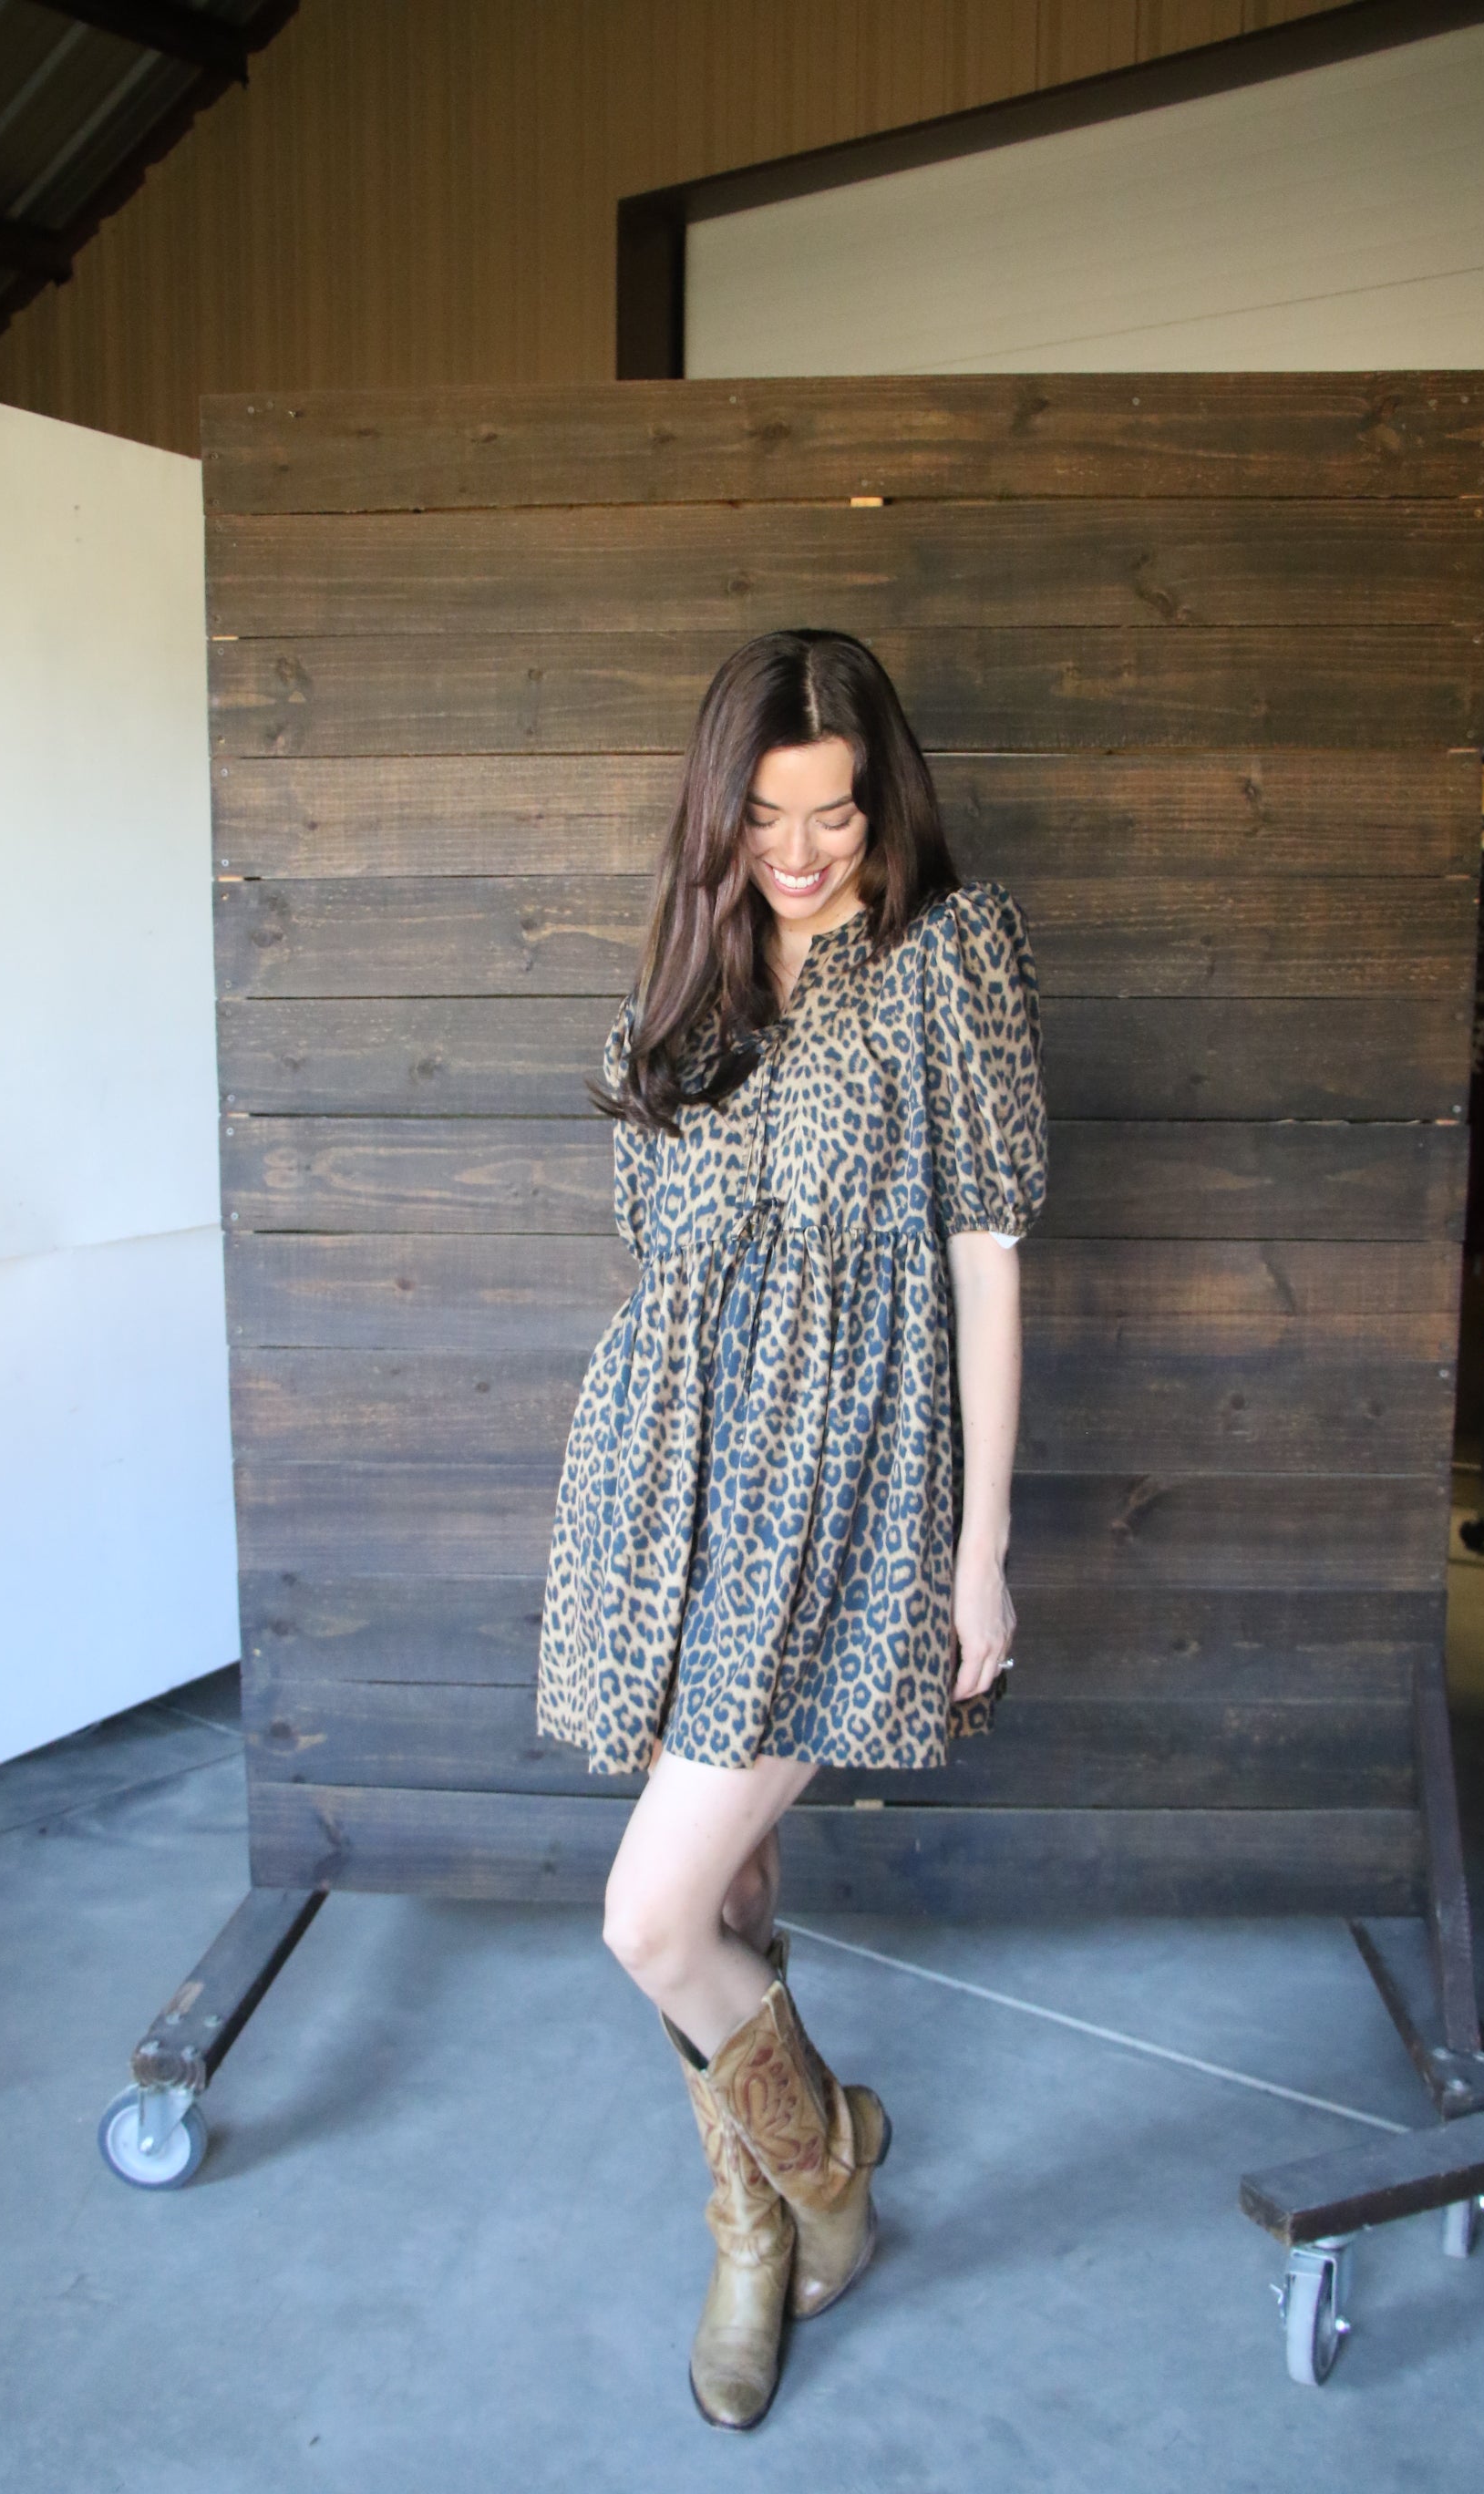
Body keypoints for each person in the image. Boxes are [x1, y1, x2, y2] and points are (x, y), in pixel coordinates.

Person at [536, 627, 1048, 2429]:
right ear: (719, 813)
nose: (804, 852)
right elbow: (661, 1264)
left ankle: (821, 2180)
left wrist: (980, 1548)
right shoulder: (684, 987)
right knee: (731, 1892)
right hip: (667, 1497)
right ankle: (762, 2216)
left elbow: (986, 1259)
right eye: (766, 817)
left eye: (834, 812)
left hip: (846, 1502)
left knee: (650, 1913)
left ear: (881, 803)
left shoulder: (948, 961)